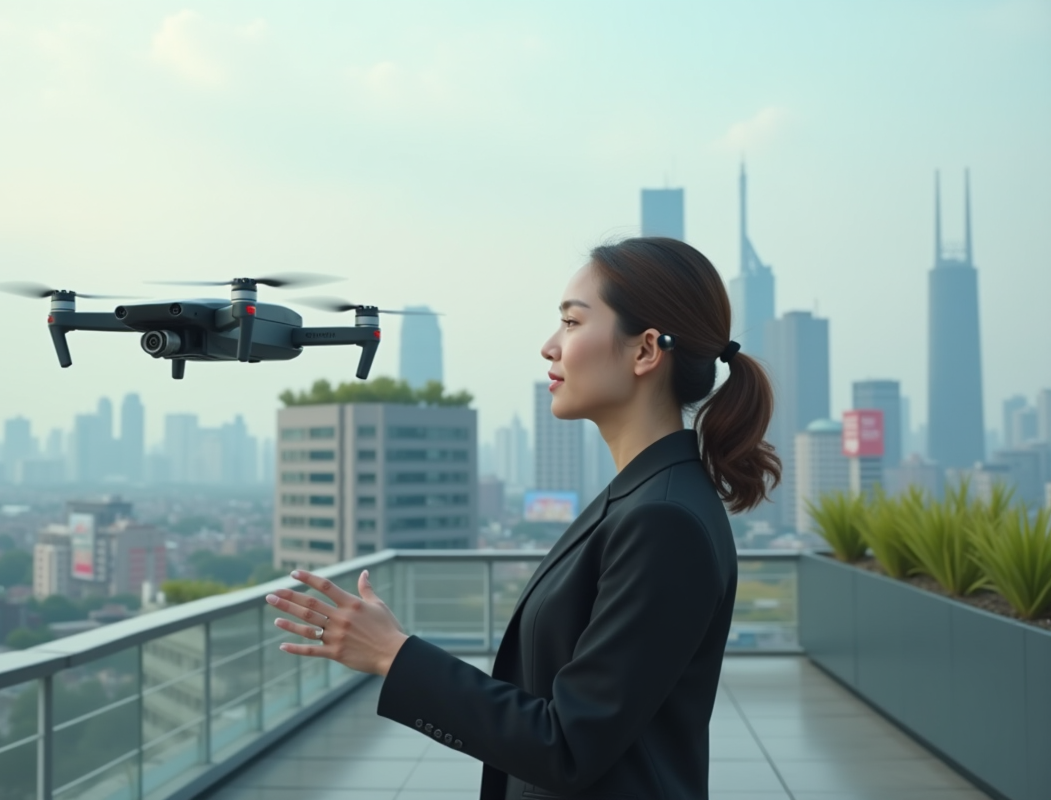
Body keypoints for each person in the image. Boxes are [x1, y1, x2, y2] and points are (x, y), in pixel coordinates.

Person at [265, 236, 781, 799]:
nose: (549, 346)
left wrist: (393, 653)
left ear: (645, 352)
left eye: (572, 322)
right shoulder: (643, 497)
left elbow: (568, 746)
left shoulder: (663, 520)